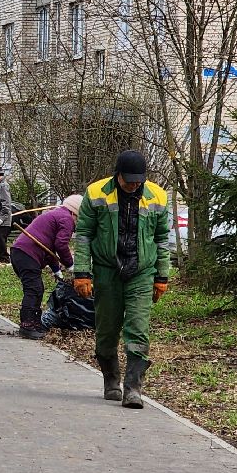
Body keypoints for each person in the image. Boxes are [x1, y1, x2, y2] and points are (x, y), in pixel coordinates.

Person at [73, 150, 172, 408]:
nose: (134, 185)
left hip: (142, 272)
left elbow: (162, 239)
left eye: (138, 181)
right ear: (117, 175)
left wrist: (162, 276)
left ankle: (133, 388)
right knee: (107, 330)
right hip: (107, 271)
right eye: (129, 180)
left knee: (138, 328)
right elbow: (83, 234)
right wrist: (81, 273)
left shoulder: (158, 196)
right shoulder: (96, 193)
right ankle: (110, 379)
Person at [10, 194, 82, 340]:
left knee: (37, 289)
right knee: (34, 289)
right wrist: (70, 265)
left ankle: (34, 323)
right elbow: (60, 245)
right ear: (75, 212)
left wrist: (57, 271)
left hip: (20, 253)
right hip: (27, 254)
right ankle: (27, 326)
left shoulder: (57, 215)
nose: (77, 223)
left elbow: (49, 249)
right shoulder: (66, 219)